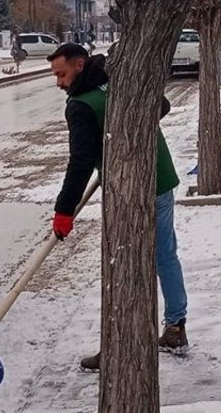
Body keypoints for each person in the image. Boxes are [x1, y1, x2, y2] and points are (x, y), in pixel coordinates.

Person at [46, 43, 189, 371]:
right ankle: (175, 326)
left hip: (129, 189)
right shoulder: (119, 77)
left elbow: (80, 162)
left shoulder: (80, 106)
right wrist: (121, 134)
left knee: (122, 262)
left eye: (61, 74)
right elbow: (161, 105)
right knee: (164, 255)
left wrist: (64, 210)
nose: (59, 83)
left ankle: (119, 342)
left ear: (79, 65)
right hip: (160, 175)